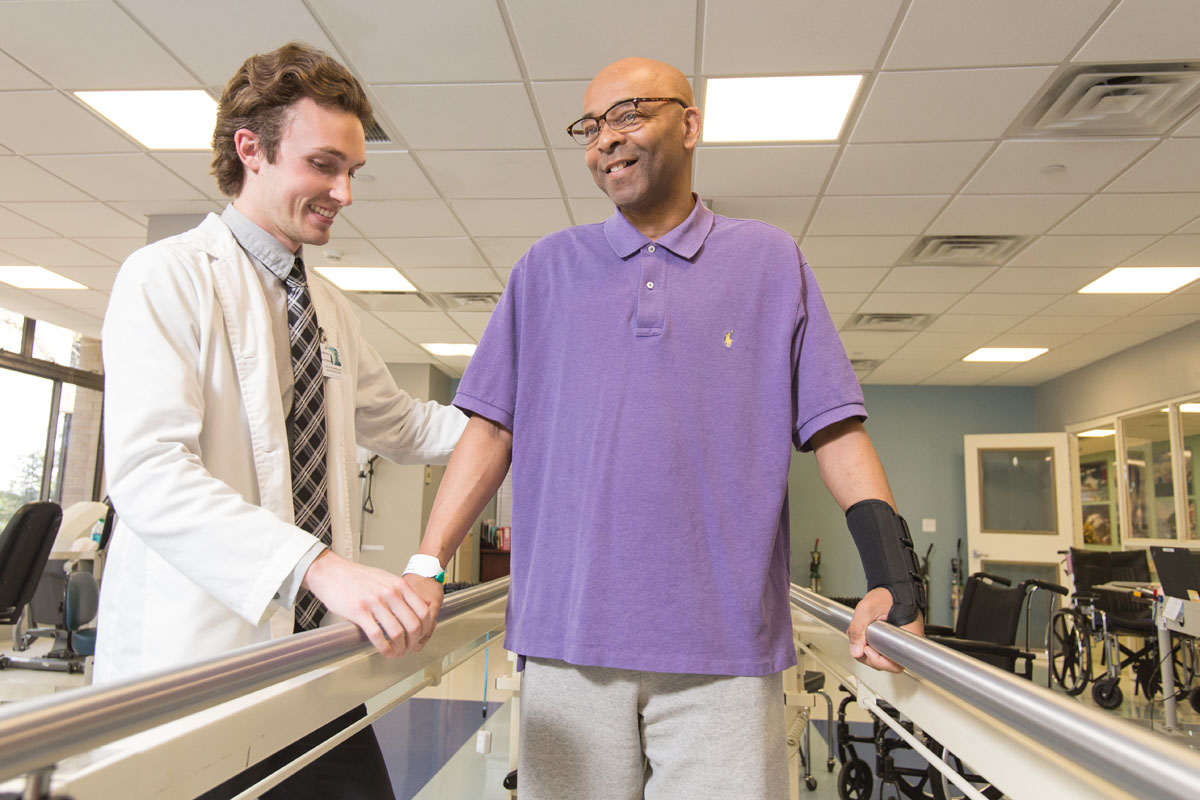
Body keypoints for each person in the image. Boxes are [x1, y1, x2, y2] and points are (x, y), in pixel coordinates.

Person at [402, 57, 926, 798]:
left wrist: (894, 582)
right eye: (590, 127)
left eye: (629, 114)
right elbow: (489, 432)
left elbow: (836, 429)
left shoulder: (770, 262)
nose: (606, 140)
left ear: (691, 124)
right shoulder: (544, 271)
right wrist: (426, 568)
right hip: (567, 643)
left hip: (723, 655)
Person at [95, 43, 466, 799]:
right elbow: (148, 473)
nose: (345, 193)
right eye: (325, 165)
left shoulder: (329, 310)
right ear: (250, 151)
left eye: (353, 172)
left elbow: (405, 427)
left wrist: (529, 423)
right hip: (198, 674)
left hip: (316, 673)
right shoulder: (165, 277)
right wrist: (319, 568)